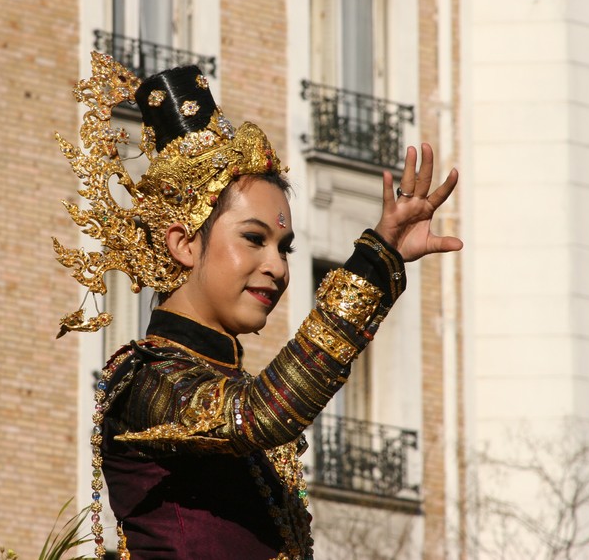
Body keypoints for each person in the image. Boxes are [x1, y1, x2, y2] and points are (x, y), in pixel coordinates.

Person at [54, 53, 462, 560]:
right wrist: (372, 266)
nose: (278, 267)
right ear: (183, 243)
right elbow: (256, 416)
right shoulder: (145, 380)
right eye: (254, 238)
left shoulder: (226, 383)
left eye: (285, 248)